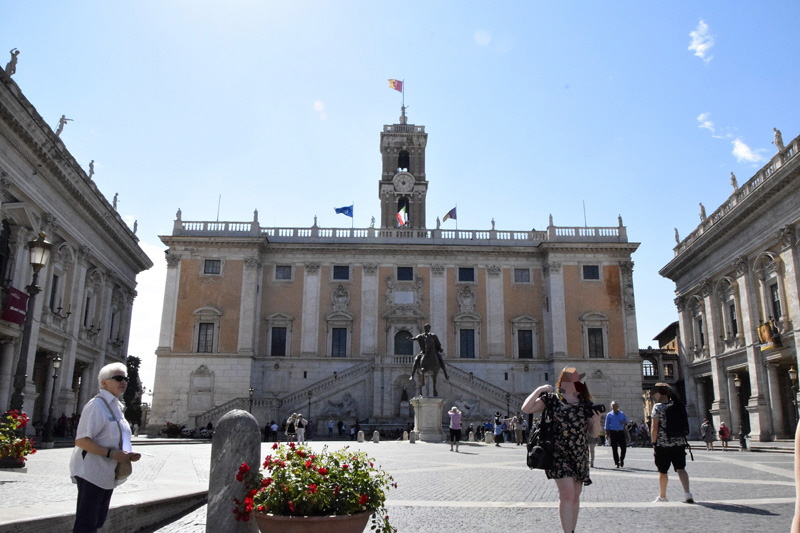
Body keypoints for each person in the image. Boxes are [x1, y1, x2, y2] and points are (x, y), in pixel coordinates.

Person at [522, 367, 601, 533]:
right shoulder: (552, 399)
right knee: (567, 494)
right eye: (568, 378)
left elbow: (593, 433)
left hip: (579, 453)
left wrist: (597, 421)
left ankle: (572, 529)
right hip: (558, 453)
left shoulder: (585, 403)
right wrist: (539, 390)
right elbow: (526, 409)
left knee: (575, 495)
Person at [70, 362, 141, 533]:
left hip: (107, 472)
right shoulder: (97, 405)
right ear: (104, 382)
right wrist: (111, 453)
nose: (123, 381)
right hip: (91, 472)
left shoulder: (117, 407)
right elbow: (82, 440)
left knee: (97, 520)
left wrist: (126, 454)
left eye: (126, 378)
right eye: (118, 378)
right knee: (86, 523)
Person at [650, 383, 693, 503]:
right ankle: (687, 493)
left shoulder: (658, 407)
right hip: (679, 442)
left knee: (663, 471)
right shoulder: (678, 405)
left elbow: (654, 427)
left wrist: (654, 443)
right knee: (681, 468)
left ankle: (662, 496)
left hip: (663, 443)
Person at [604, 401, 628, 468]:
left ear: (618, 406)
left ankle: (621, 459)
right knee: (614, 448)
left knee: (623, 448)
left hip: (620, 432)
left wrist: (624, 422)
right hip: (613, 432)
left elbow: (626, 422)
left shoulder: (622, 414)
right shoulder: (609, 415)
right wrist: (606, 434)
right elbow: (606, 425)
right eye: (612, 406)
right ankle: (616, 463)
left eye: (615, 406)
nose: (613, 407)